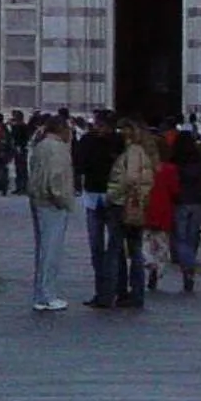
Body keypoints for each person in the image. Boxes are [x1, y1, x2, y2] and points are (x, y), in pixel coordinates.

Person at [74, 110, 123, 309]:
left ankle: (109, 292)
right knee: (97, 248)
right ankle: (103, 291)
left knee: (112, 248)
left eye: (102, 125)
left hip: (112, 198)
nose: (99, 128)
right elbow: (78, 164)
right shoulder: (89, 141)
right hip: (94, 197)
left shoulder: (118, 142)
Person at [28, 114, 78, 311]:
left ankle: (40, 295)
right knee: (51, 250)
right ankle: (48, 295)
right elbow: (56, 178)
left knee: (42, 249)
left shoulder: (41, 145)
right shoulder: (58, 148)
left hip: (38, 199)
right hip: (52, 203)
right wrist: (62, 200)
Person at [111, 119, 158, 308]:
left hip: (127, 204)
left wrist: (111, 195)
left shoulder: (132, 152)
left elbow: (130, 179)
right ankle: (135, 291)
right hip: (138, 205)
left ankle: (127, 291)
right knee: (135, 249)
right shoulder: (144, 153)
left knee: (123, 250)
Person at [171, 132, 201, 294]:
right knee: (193, 237)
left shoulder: (175, 163)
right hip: (199, 203)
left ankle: (187, 267)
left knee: (180, 237)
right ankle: (190, 264)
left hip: (181, 202)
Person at [144, 135, 180, 294]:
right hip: (164, 209)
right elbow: (175, 191)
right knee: (162, 245)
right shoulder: (170, 169)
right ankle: (157, 270)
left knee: (145, 241)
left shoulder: (144, 168)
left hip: (146, 208)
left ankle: (149, 262)